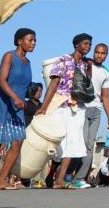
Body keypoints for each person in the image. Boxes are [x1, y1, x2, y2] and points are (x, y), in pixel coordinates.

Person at [0, 27, 35, 190]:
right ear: (19, 41)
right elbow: (2, 81)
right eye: (30, 40)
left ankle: (0, 181)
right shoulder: (9, 56)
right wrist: (15, 98)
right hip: (2, 104)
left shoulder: (28, 63)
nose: (33, 43)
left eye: (35, 41)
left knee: (17, 142)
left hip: (17, 107)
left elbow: (23, 86)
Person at [38, 32, 93, 189]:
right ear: (76, 44)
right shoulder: (63, 60)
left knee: (73, 142)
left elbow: (86, 87)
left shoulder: (85, 64)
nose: (87, 47)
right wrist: (44, 107)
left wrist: (88, 70)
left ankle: (59, 179)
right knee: (58, 144)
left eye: (89, 44)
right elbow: (53, 84)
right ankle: (52, 176)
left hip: (78, 107)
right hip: (61, 106)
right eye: (85, 44)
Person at [76, 42, 109, 185]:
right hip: (82, 108)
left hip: (96, 111)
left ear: (106, 55)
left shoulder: (106, 72)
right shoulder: (85, 64)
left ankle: (80, 178)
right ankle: (68, 174)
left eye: (102, 53)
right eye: (97, 52)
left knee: (90, 145)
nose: (99, 55)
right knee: (81, 142)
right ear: (93, 52)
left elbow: (105, 96)